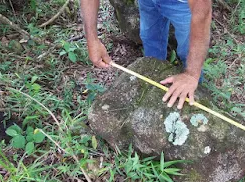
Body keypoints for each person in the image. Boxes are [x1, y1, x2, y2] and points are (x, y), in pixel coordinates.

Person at [80, 0, 212, 109]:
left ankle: (195, 97)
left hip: (181, 4)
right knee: (150, 39)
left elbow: (202, 12)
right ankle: (154, 83)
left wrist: (192, 75)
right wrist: (92, 39)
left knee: (187, 50)